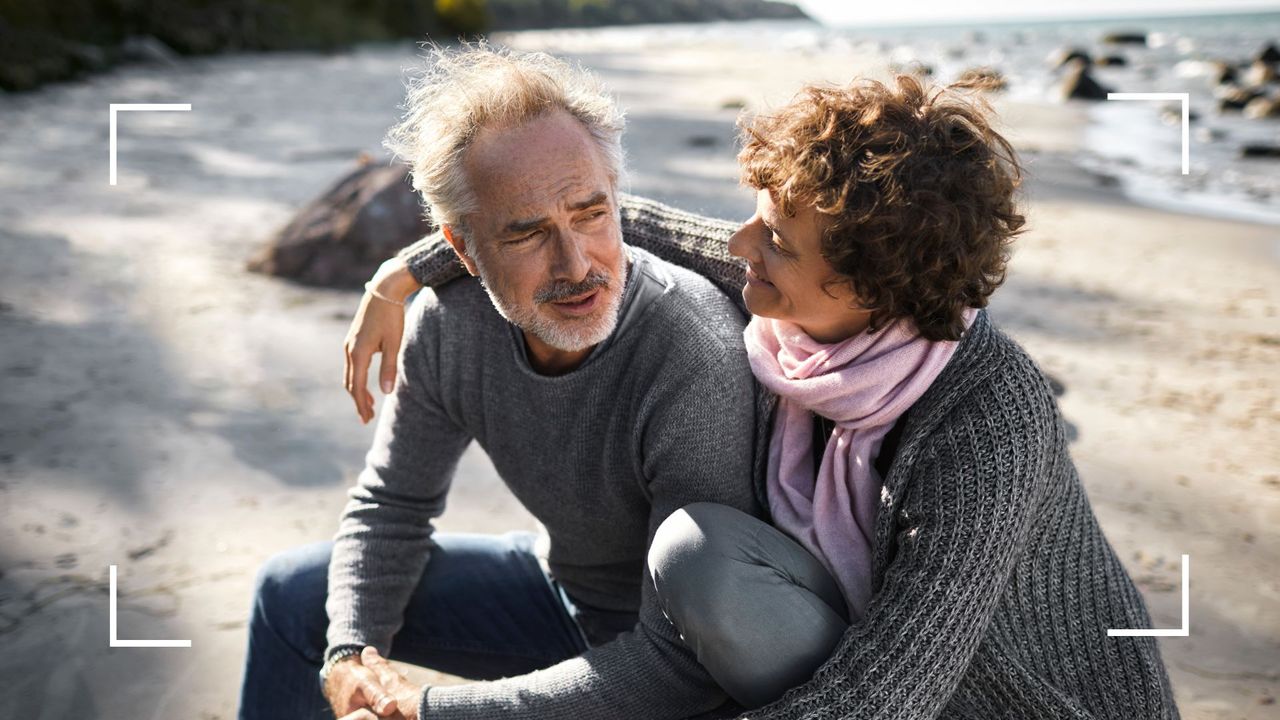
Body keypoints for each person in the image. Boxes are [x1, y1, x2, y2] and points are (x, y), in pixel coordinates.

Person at [349, 75, 1180, 718]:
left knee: (699, 558)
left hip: (1006, 706)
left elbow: (890, 692)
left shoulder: (987, 422)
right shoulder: (802, 296)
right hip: (856, 664)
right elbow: (606, 217)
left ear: (869, 282)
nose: (737, 243)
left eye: (772, 239)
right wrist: (408, 272)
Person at [238, 45, 768, 720]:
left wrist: (428, 710)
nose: (576, 264)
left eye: (590, 213)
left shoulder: (690, 350)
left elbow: (681, 671)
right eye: (527, 235)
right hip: (556, 591)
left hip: (670, 663)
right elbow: (394, 505)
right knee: (290, 596)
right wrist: (352, 660)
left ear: (618, 201)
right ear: (460, 249)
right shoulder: (449, 321)